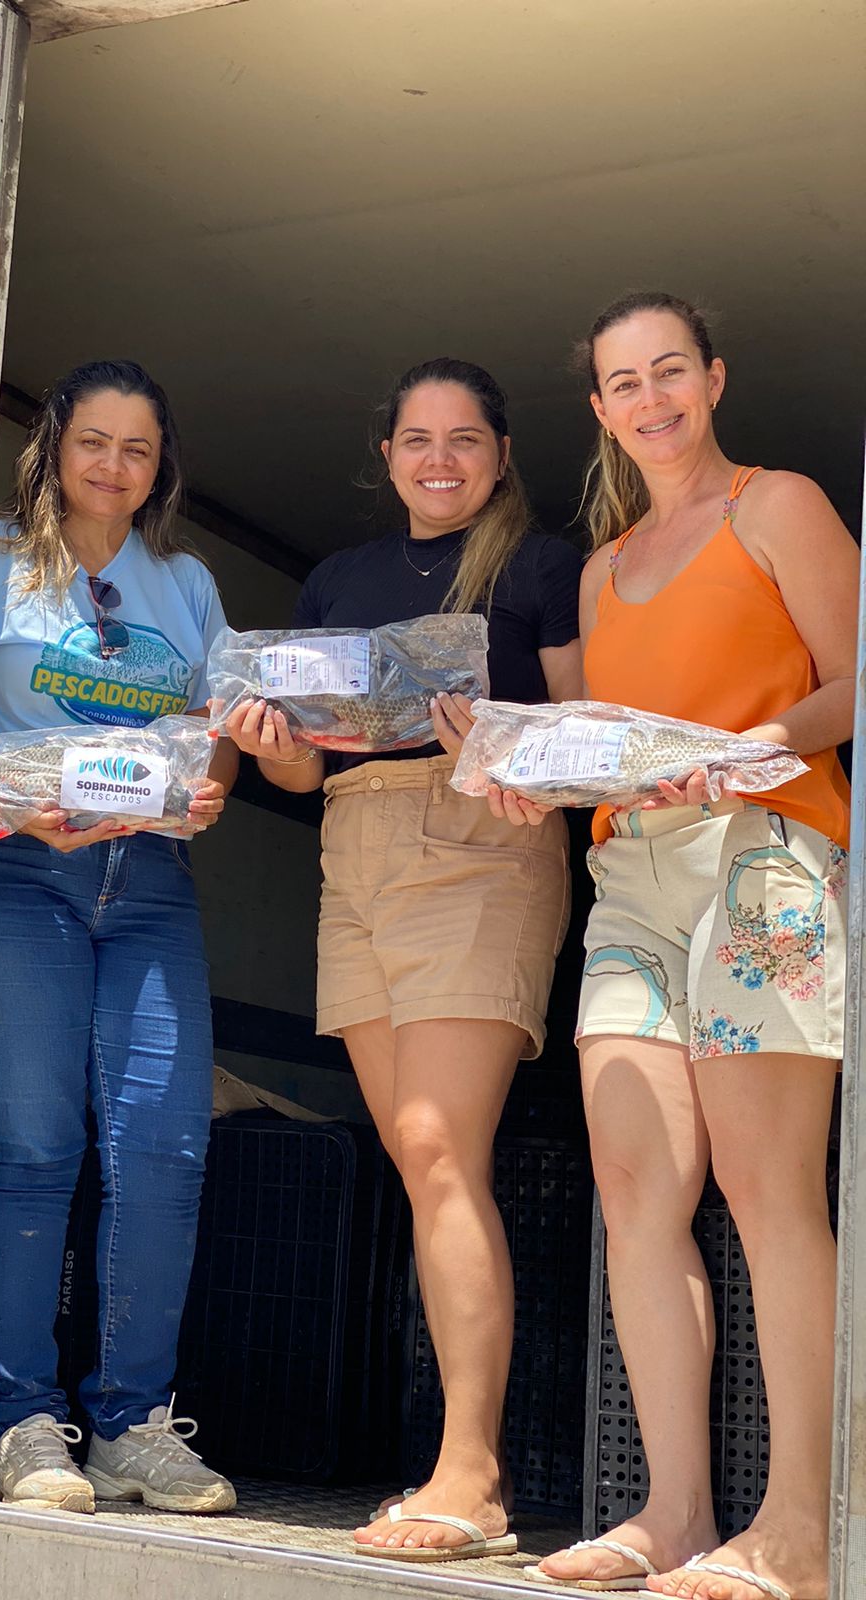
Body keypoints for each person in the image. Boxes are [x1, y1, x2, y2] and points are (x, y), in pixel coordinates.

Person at [224, 358, 583, 1562]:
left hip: (479, 837)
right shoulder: (338, 577)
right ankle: (456, 1467)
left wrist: (508, 744)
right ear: (386, 455)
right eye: (418, 439)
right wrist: (267, 741)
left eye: (465, 439)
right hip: (354, 845)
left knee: (437, 1149)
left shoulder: (540, 565)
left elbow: (581, 729)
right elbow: (300, 769)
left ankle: (472, 1476)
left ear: (501, 453)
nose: (441, 460)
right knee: (418, 1158)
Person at [530, 293, 856, 1600]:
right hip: (632, 875)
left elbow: (856, 675)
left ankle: (802, 1530)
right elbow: (603, 748)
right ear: (601, 411)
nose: (651, 398)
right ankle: (672, 1514)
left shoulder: (777, 507)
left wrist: (749, 748)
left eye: (671, 371)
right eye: (625, 382)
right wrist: (521, 774)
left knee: (768, 1187)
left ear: (713, 379)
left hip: (763, 850)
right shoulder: (602, 569)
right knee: (635, 1182)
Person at [0, 360, 238, 1516]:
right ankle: (22, 1423)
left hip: (150, 879)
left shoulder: (185, 581)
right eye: (94, 442)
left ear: (162, 468)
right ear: (56, 446)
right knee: (31, 1146)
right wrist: (22, 806)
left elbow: (215, 722)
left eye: (138, 449)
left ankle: (131, 1424)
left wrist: (209, 784)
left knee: (163, 1150)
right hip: (18, 870)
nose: (114, 466)